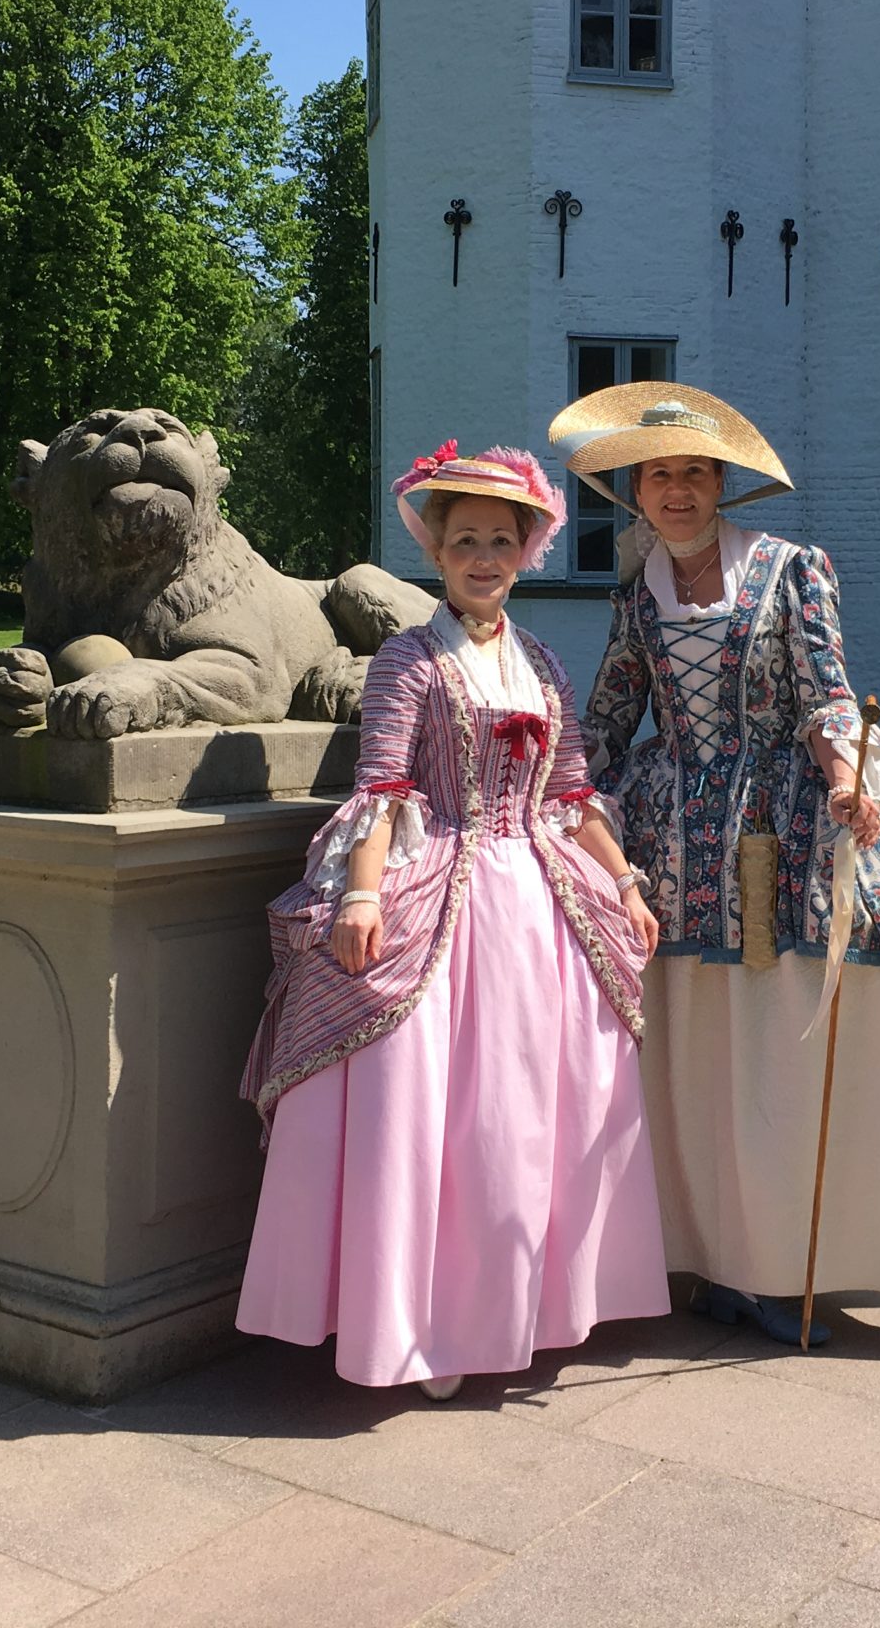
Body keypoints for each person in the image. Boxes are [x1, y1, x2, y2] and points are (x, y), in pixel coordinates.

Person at [548, 384, 880, 1345]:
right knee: (694, 1054)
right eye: (658, 475)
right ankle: (713, 1257)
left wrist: (846, 778)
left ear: (722, 483)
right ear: (635, 490)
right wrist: (541, 783)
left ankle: (782, 1265)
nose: (676, 491)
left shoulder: (791, 570)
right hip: (674, 843)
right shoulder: (637, 596)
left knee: (779, 1055)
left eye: (693, 473)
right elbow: (606, 718)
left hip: (785, 832)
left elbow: (829, 696)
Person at [236, 440, 670, 1400]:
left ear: (526, 553)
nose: (483, 558)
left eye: (501, 543)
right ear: (435, 551)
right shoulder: (407, 660)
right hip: (447, 888)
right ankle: (428, 1325)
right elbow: (382, 785)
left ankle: (520, 1309)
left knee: (530, 1113)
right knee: (430, 1104)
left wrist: (628, 884)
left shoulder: (545, 663)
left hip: (539, 905)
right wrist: (360, 893)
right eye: (466, 540)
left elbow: (573, 792)